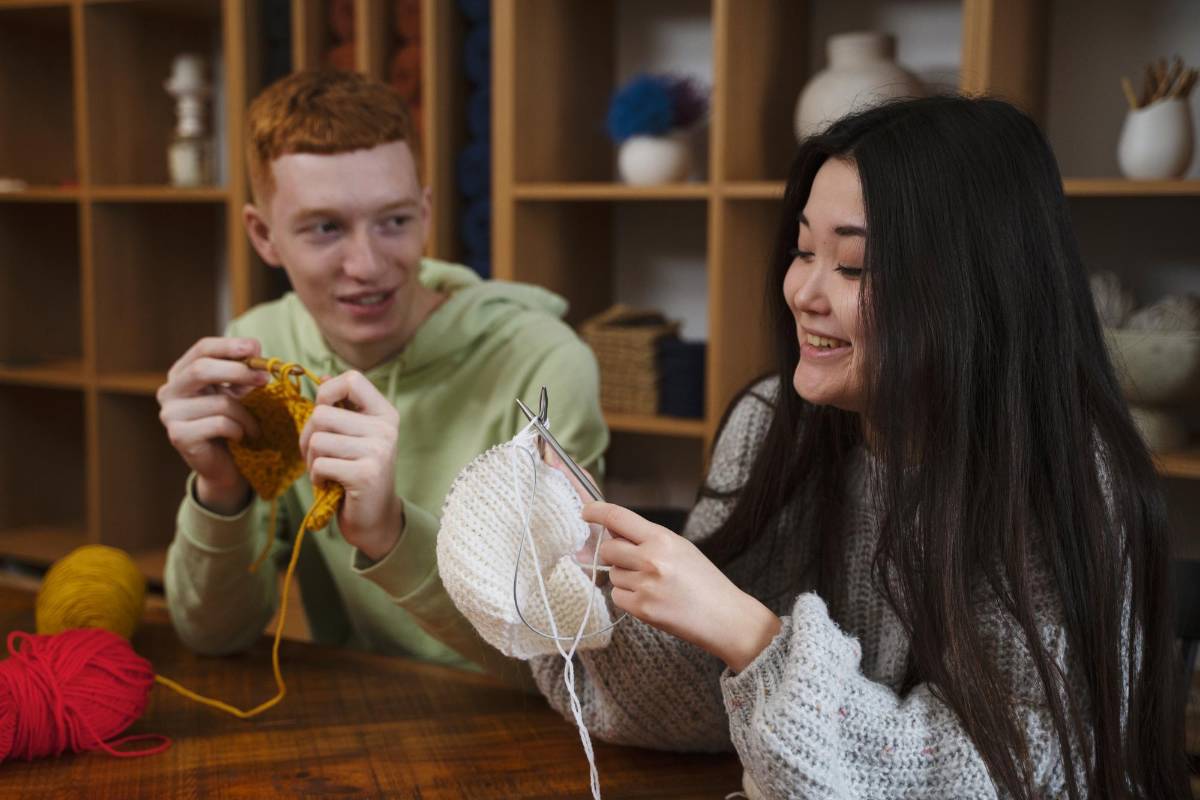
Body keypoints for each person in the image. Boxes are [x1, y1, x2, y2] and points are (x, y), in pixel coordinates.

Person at [453, 96, 1190, 797]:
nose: (803, 290)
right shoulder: (774, 424)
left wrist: (751, 635)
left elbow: (995, 777)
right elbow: (705, 716)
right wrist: (592, 580)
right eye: (804, 249)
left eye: (853, 265)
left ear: (973, 290)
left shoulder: (1066, 483)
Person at [155, 70, 607, 682]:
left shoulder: (544, 364)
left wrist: (390, 534)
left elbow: (569, 661)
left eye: (393, 221)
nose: (366, 266)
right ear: (263, 236)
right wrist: (220, 493)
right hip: (358, 710)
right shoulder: (260, 351)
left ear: (425, 213)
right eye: (325, 228)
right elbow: (214, 635)